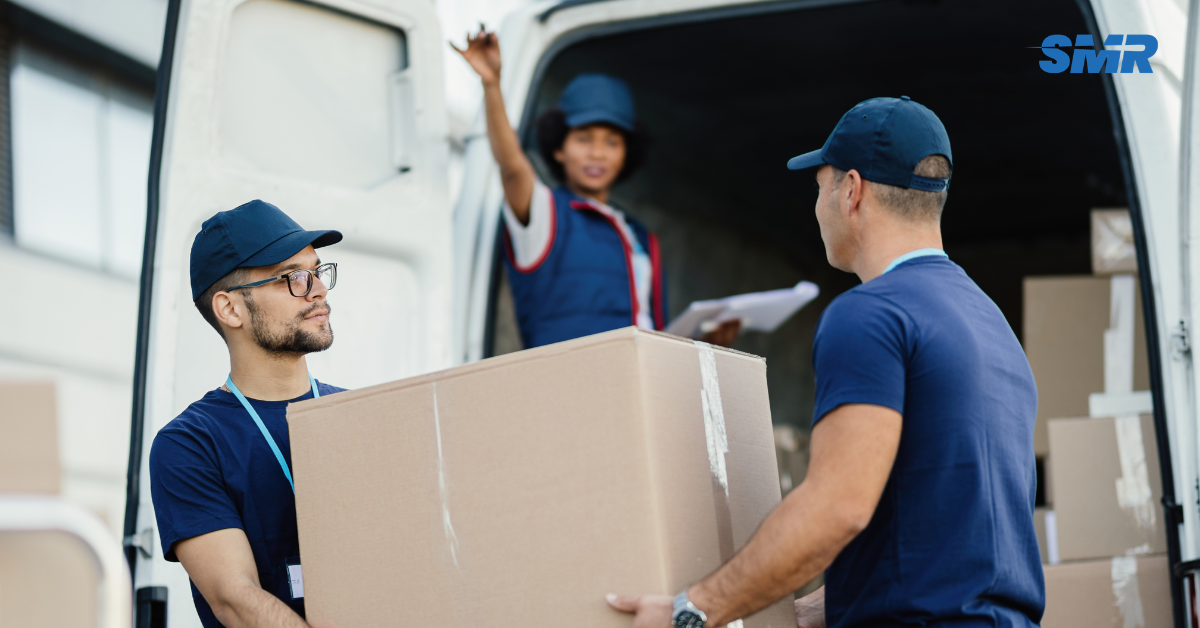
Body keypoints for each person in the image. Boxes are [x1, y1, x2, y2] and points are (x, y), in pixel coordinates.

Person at [607, 96, 1044, 628]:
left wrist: (692, 610)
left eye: (820, 188)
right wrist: (810, 610)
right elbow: (942, 519)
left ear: (851, 191)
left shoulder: (871, 313)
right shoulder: (991, 324)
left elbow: (838, 506)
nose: (817, 208)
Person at [452, 28, 740, 348]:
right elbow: (511, 169)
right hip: (569, 378)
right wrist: (492, 84)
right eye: (583, 138)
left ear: (626, 153)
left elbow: (652, 334)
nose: (597, 153)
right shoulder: (545, 214)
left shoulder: (639, 236)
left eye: (612, 142)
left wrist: (704, 341)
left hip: (639, 379)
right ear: (558, 148)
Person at [149, 200, 344, 628]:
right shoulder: (189, 444)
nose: (318, 289)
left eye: (317, 271)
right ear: (230, 309)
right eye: (293, 277)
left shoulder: (358, 415)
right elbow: (235, 600)